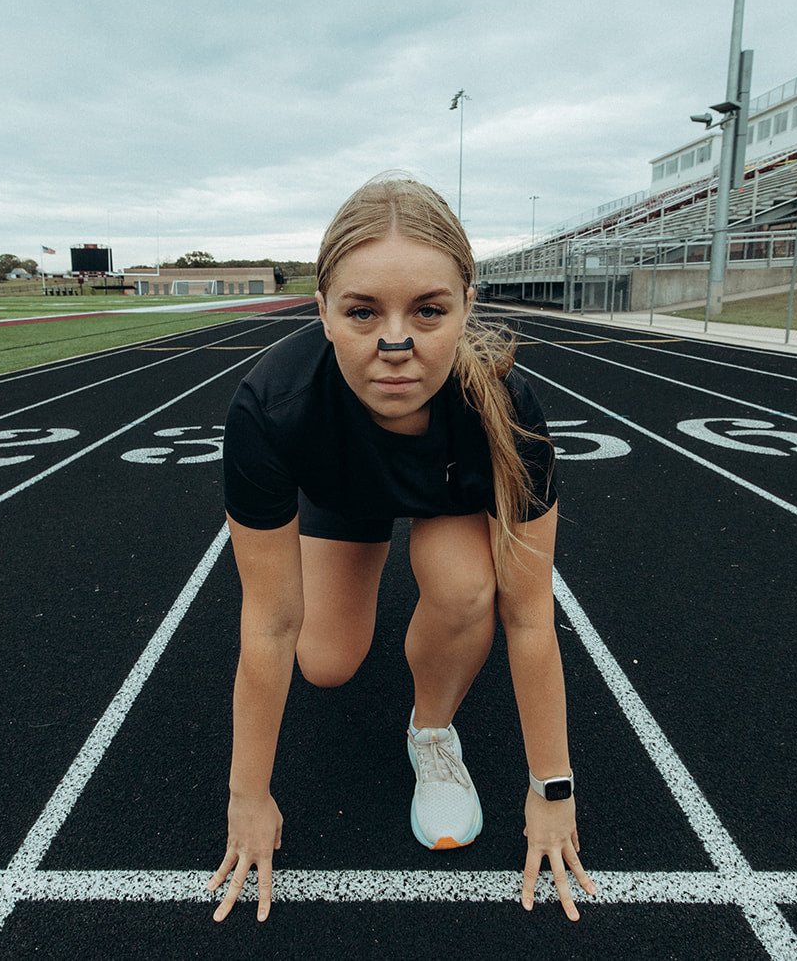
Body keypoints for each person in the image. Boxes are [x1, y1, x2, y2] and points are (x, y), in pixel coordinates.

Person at [207, 175, 596, 922]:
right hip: (344, 489)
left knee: (468, 588)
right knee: (324, 660)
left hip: (447, 492)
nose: (396, 344)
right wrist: (247, 796)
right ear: (321, 312)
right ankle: (373, 553)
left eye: (427, 310)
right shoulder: (270, 409)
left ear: (467, 306)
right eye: (362, 311)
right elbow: (269, 622)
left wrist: (553, 788)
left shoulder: (506, 414)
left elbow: (528, 616)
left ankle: (432, 730)